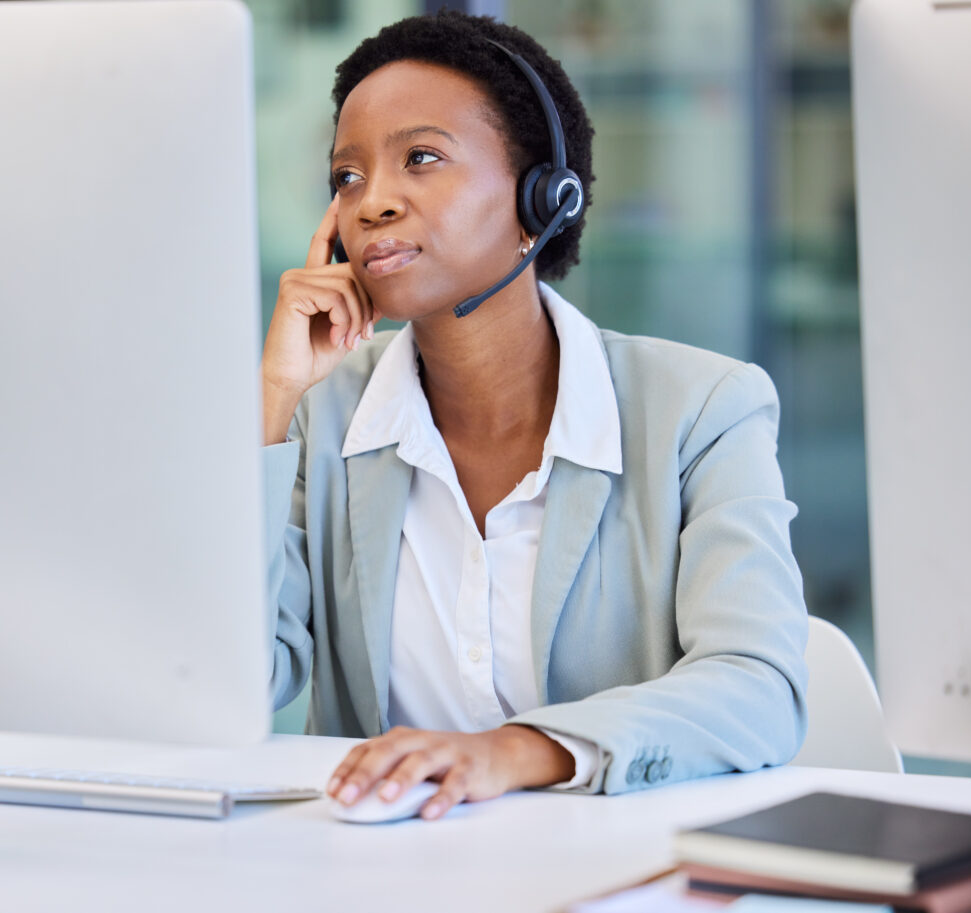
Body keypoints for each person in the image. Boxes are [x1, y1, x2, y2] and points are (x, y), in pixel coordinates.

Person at [260, 10, 807, 822]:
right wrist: (273, 400)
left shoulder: (701, 409)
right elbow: (233, 679)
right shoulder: (324, 415)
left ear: (539, 196)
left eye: (420, 159)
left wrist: (511, 752)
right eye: (347, 177)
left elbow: (759, 685)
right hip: (377, 879)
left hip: (618, 871)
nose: (372, 203)